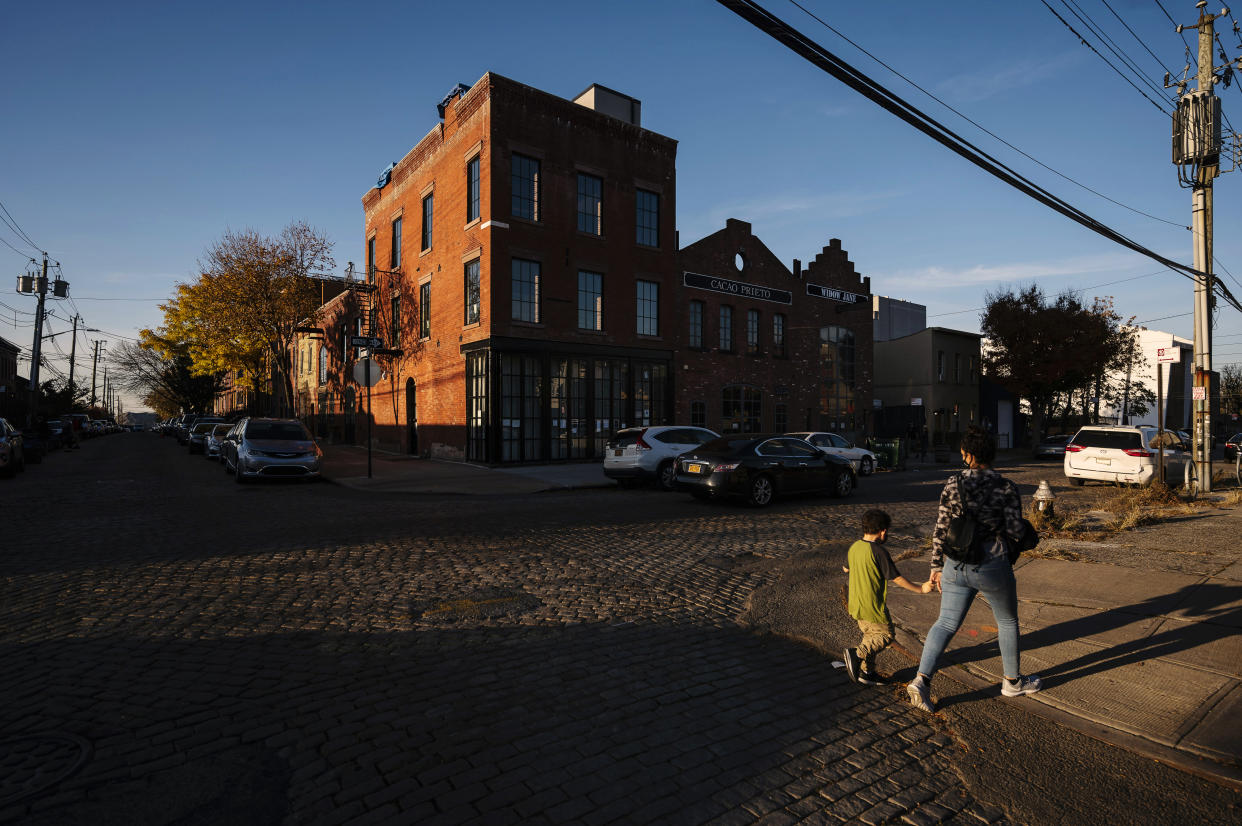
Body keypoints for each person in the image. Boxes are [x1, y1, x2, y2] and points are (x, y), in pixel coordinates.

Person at [907, 425, 1042, 713]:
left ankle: (921, 680)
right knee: (1007, 622)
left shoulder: (952, 484)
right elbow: (1016, 529)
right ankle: (1012, 682)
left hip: (955, 565)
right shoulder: (1006, 488)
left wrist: (935, 566)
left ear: (967, 455)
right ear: (991, 455)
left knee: (944, 623)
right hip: (992, 566)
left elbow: (941, 528)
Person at [842, 509, 933, 685]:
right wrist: (920, 589)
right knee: (886, 635)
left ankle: (867, 672)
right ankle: (856, 654)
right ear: (883, 530)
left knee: (871, 636)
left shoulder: (855, 547)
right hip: (872, 605)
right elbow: (896, 578)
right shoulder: (878, 552)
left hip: (856, 603)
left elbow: (846, 569)